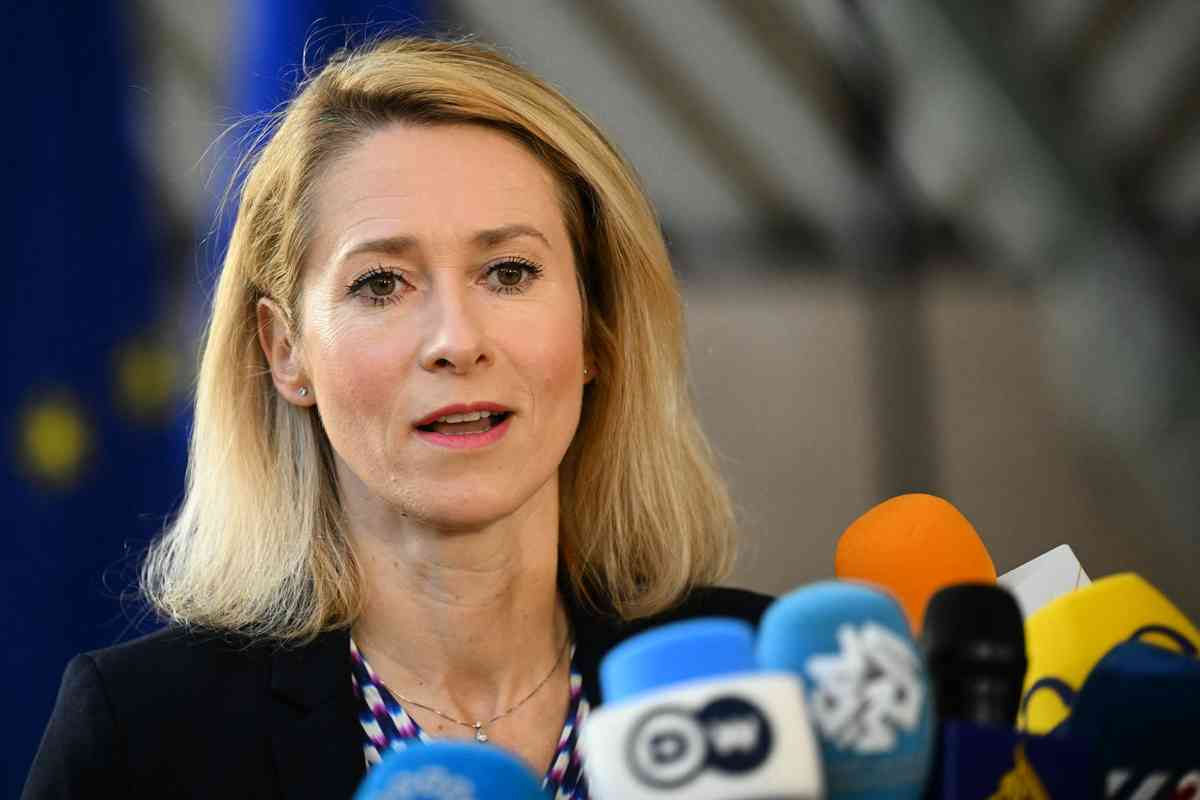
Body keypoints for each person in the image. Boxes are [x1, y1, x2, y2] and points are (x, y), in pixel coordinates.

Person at [24, 35, 770, 799]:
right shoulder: (142, 735)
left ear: (594, 329)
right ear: (286, 351)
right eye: (381, 284)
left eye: (508, 272)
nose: (457, 341)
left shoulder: (766, 682)